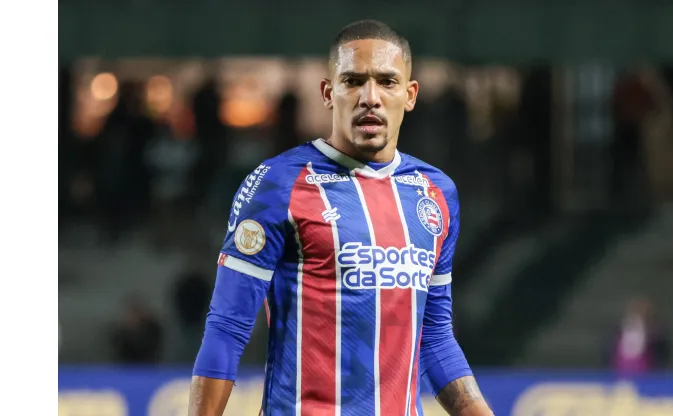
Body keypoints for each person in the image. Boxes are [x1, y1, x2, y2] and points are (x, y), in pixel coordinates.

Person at [189, 20, 495, 416]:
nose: (370, 97)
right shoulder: (278, 184)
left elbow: (434, 338)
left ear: (410, 94)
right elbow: (227, 328)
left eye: (387, 81)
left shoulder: (436, 193)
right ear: (328, 92)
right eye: (353, 81)